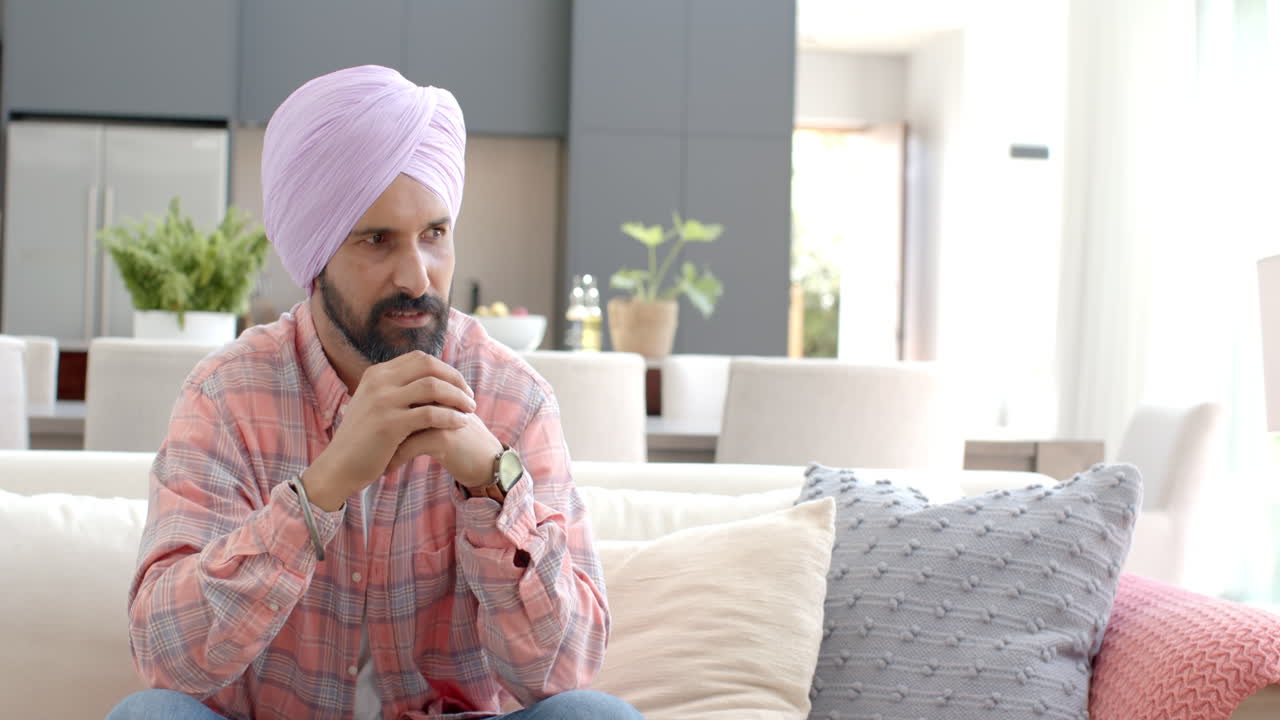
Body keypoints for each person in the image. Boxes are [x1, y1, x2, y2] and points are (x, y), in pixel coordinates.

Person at [105, 65, 638, 720]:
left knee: (594, 717)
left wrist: (492, 485)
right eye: (377, 240)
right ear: (315, 252)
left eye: (434, 235)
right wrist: (320, 492)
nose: (417, 275)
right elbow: (168, 657)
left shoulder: (510, 397)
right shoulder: (227, 396)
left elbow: (570, 669)